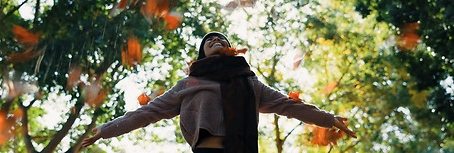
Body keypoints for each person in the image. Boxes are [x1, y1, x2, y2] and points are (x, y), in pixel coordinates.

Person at [82, 32, 357, 152]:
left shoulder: (250, 81)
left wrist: (327, 118)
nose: (215, 40)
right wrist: (106, 129)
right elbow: (148, 112)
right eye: (209, 41)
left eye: (220, 39)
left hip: (244, 146)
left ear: (228, 48)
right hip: (209, 145)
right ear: (202, 53)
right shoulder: (189, 83)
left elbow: (288, 105)